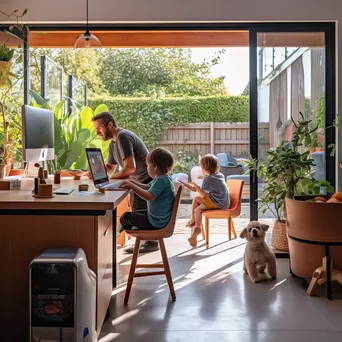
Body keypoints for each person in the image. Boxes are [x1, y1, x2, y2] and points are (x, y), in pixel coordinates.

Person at [91, 111, 159, 253]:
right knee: (136, 212)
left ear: (110, 124)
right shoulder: (112, 143)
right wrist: (96, 172)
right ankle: (139, 241)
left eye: (99, 128)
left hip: (146, 181)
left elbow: (130, 168)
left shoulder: (123, 136)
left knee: (139, 214)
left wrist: (111, 179)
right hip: (138, 180)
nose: (97, 132)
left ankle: (150, 242)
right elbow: (111, 167)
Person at [118, 147, 175, 235]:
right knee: (133, 214)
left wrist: (133, 187)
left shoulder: (161, 181)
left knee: (125, 217)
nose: (147, 168)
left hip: (156, 222)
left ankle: (121, 232)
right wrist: (133, 182)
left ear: (155, 167)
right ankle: (132, 227)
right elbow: (148, 187)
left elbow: (149, 196)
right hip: (156, 218)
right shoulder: (164, 179)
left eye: (148, 165)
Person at [187, 154, 231, 248]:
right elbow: (206, 194)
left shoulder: (208, 178)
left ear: (204, 168)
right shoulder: (220, 175)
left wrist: (195, 187)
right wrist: (199, 189)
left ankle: (196, 227)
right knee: (196, 199)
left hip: (217, 203)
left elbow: (203, 194)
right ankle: (193, 221)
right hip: (225, 202)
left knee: (197, 210)